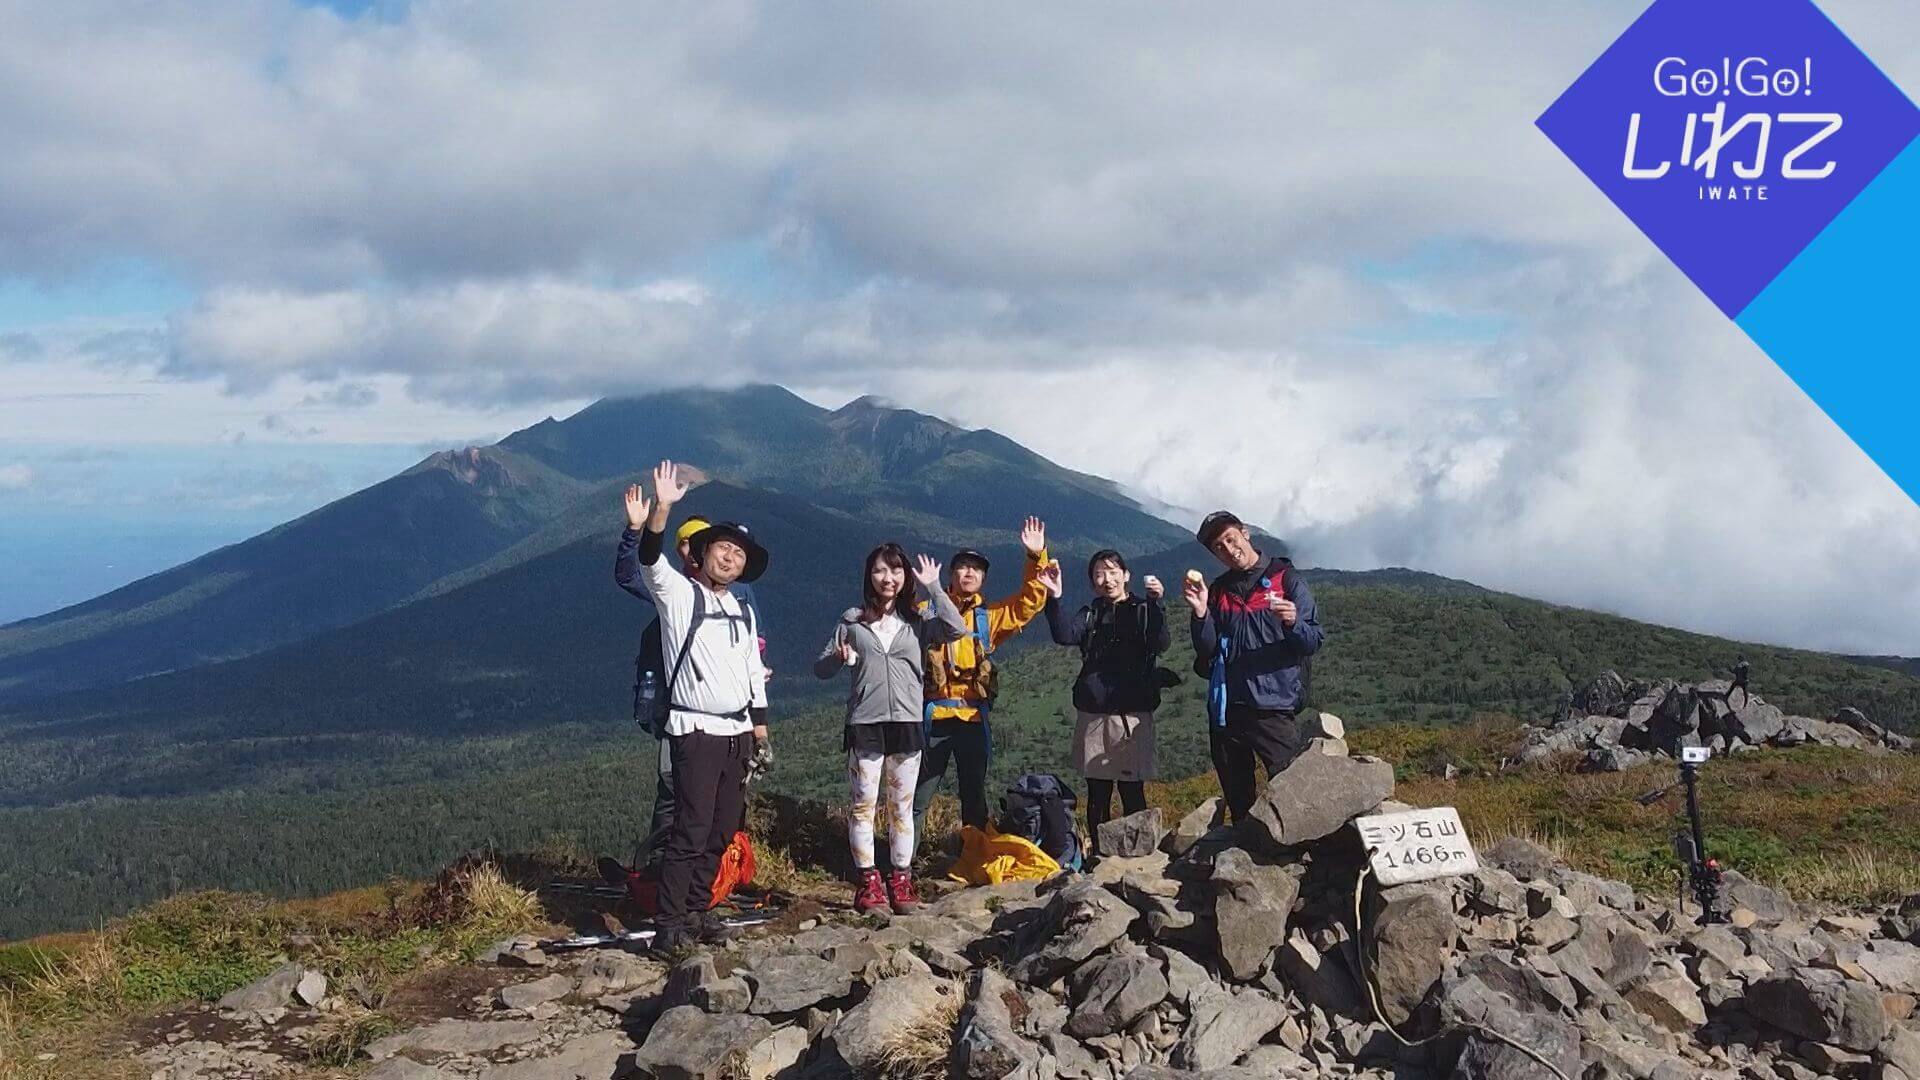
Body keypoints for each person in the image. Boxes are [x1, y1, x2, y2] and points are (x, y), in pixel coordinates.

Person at [624, 460, 770, 952]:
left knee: (723, 827)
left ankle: (696, 909)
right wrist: (661, 510)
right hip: (695, 730)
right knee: (690, 827)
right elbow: (649, 561)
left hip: (737, 733)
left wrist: (760, 726)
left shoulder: (741, 608)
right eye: (723, 549)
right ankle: (668, 925)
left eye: (738, 554)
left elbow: (752, 668)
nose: (730, 558)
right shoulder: (679, 595)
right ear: (702, 554)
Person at [814, 544, 967, 913]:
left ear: (905, 577)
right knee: (863, 806)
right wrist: (837, 658)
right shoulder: (852, 622)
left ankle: (901, 880)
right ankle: (868, 883)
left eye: (896, 571)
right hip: (865, 724)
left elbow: (956, 629)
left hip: (907, 725)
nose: (889, 578)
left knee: (901, 807)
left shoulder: (918, 621)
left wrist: (935, 588)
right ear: (870, 575)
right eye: (881, 570)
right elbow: (820, 668)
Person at [911, 517, 1051, 848]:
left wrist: (1036, 557)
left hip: (973, 718)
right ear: (951, 575)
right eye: (963, 567)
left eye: (977, 569)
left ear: (984, 578)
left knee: (973, 793)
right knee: (918, 795)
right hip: (933, 717)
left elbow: (1030, 602)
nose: (970, 573)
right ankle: (903, 865)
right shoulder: (924, 612)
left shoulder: (990, 617)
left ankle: (974, 858)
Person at [1184, 511, 1325, 826]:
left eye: (1230, 539)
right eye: (1219, 547)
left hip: (1272, 706)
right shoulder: (1219, 591)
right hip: (1228, 710)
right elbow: (1206, 650)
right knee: (1239, 800)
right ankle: (1244, 863)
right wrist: (1201, 612)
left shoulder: (1286, 580)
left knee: (1291, 789)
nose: (1228, 549)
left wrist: (1293, 623)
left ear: (1245, 533)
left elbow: (1313, 641)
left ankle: (1301, 857)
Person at [1040, 550, 1170, 857]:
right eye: (1099, 574)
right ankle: (1100, 856)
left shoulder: (1141, 608)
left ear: (1126, 575)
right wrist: (1054, 596)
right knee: (1098, 792)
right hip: (1095, 715)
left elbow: (1160, 642)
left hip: (1132, 716)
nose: (1107, 579)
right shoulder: (1091, 613)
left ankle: (1138, 856)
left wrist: (1156, 603)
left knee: (1131, 789)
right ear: (1093, 582)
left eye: (1113, 572)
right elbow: (1064, 635)